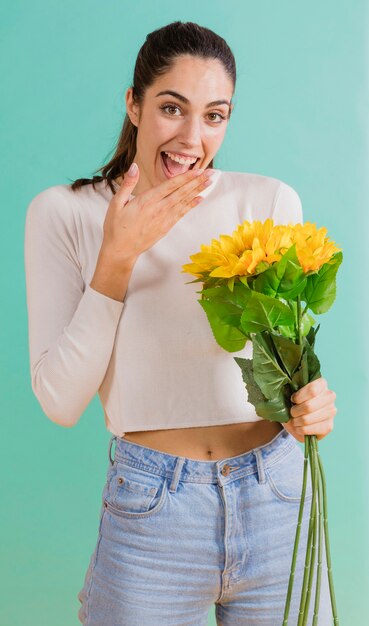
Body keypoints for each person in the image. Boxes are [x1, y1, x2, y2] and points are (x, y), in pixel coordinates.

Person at [24, 20, 337, 626]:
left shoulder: (267, 203)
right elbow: (60, 402)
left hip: (276, 496)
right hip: (153, 515)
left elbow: (284, 361)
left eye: (215, 115)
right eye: (173, 108)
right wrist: (117, 257)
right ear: (134, 105)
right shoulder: (65, 214)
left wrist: (311, 404)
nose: (193, 138)